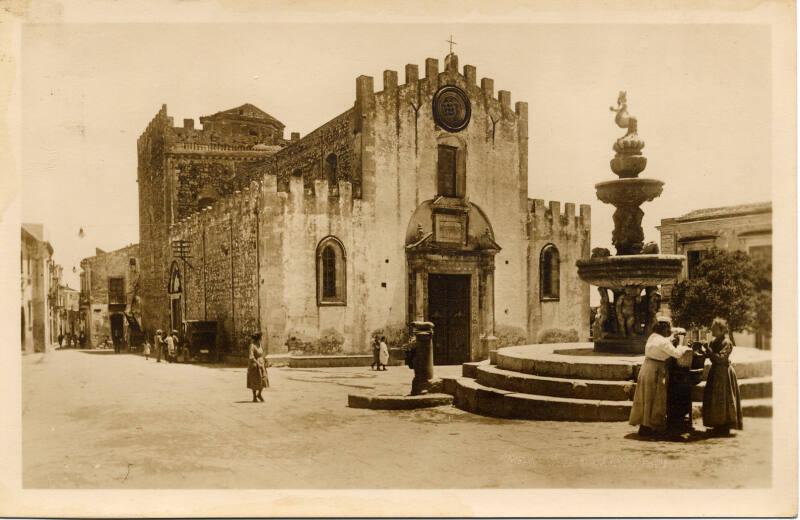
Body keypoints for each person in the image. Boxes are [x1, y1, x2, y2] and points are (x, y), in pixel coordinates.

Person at [629, 318, 692, 437]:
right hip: (656, 370)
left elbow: (663, 343)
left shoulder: (653, 337)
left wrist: (670, 338)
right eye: (668, 328)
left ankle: (644, 425)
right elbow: (677, 354)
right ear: (664, 329)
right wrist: (681, 346)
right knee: (655, 398)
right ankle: (652, 427)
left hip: (647, 367)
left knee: (646, 397)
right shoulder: (663, 342)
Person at [702, 317, 743, 436]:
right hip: (715, 372)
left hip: (724, 373)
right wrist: (702, 349)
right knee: (715, 398)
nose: (712, 331)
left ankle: (724, 425)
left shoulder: (727, 343)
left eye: (714, 329)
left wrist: (708, 351)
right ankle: (717, 424)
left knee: (723, 398)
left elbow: (720, 358)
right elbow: (710, 355)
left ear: (722, 330)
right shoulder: (714, 342)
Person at [247, 332, 269, 402]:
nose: (262, 338)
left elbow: (262, 354)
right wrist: (257, 363)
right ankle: (254, 397)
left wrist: (265, 361)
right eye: (261, 337)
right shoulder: (252, 345)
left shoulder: (260, 345)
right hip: (254, 365)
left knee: (263, 379)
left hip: (261, 364)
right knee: (255, 380)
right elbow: (251, 356)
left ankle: (259, 394)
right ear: (258, 338)